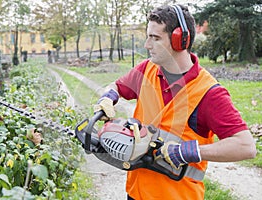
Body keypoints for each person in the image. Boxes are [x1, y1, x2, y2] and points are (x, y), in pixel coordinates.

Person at [93, 4, 257, 200]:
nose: (147, 44)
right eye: (148, 36)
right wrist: (108, 97)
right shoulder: (146, 70)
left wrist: (189, 151)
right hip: (136, 193)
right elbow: (117, 86)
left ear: (180, 40)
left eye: (155, 38)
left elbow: (246, 146)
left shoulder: (209, 93)